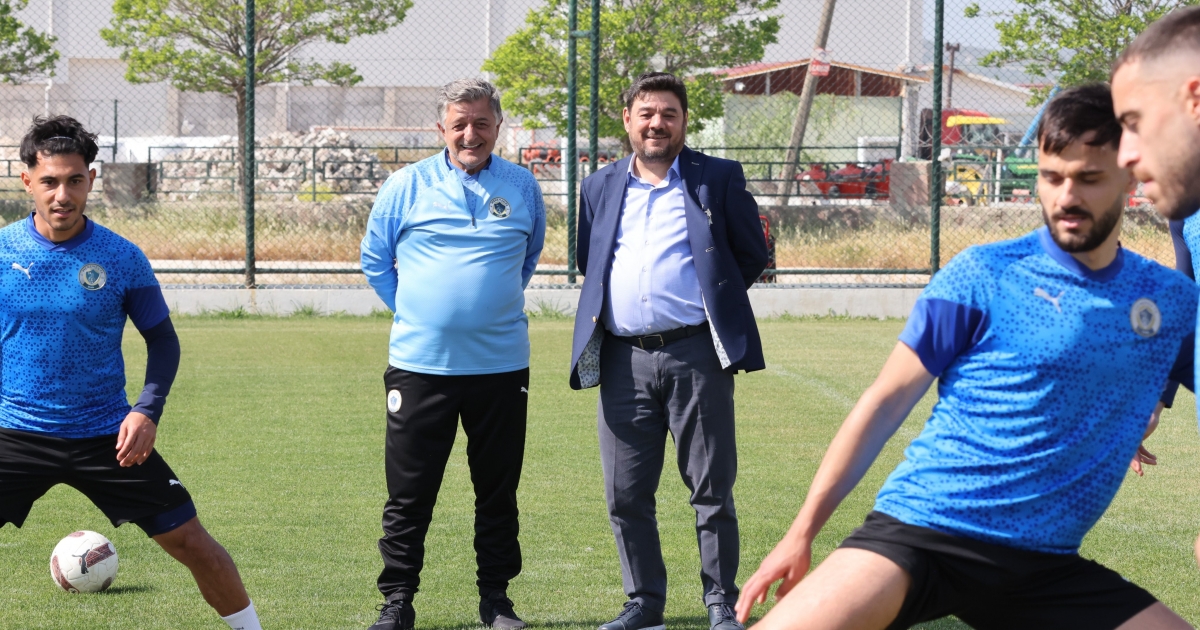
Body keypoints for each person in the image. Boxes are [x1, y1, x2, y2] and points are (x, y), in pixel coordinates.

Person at [733, 84, 1197, 630]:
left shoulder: (1170, 301)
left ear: (1131, 175)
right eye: (1051, 177)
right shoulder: (983, 273)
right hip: (924, 533)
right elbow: (884, 402)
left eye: (1089, 178)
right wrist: (801, 532)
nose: (1066, 197)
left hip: (1046, 567)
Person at [0, 116, 260, 630]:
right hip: (17, 433)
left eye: (74, 180)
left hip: (109, 436)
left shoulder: (121, 257)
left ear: (91, 180)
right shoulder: (3, 251)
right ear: (27, 180)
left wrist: (146, 411)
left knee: (193, 543)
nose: (62, 195)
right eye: (49, 181)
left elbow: (162, 339)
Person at [568, 72, 769, 630]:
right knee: (625, 493)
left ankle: (720, 602)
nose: (657, 123)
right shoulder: (598, 186)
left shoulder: (717, 178)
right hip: (622, 360)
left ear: (683, 121)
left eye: (669, 114)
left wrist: (715, 299)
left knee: (711, 489)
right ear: (628, 119)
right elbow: (591, 260)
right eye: (647, 113)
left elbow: (751, 253)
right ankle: (644, 604)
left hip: (695, 355)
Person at [360, 78, 546, 630]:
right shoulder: (406, 185)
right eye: (459, 124)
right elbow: (375, 260)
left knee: (497, 492)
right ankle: (397, 601)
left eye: (481, 123)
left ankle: (497, 601)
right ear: (440, 128)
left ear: (498, 127)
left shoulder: (522, 185)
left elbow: (527, 257)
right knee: (409, 494)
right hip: (420, 368)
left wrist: (485, 307)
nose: (471, 134)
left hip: (501, 367)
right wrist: (419, 313)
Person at [1112, 6, 1200, 569]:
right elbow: (1189, 300)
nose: (1126, 154)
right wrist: (1157, 392)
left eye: (1136, 122)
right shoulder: (1186, 207)